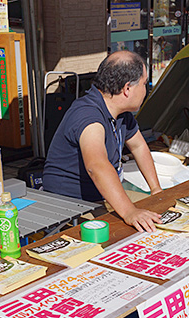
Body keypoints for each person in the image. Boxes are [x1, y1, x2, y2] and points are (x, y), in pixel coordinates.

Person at [43, 51, 163, 233]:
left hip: (100, 196)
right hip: (71, 204)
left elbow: (139, 146)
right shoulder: (88, 115)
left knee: (159, 213)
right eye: (144, 84)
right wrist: (129, 211)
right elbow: (96, 165)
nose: (146, 90)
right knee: (134, 231)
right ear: (127, 89)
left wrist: (156, 190)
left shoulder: (121, 113)